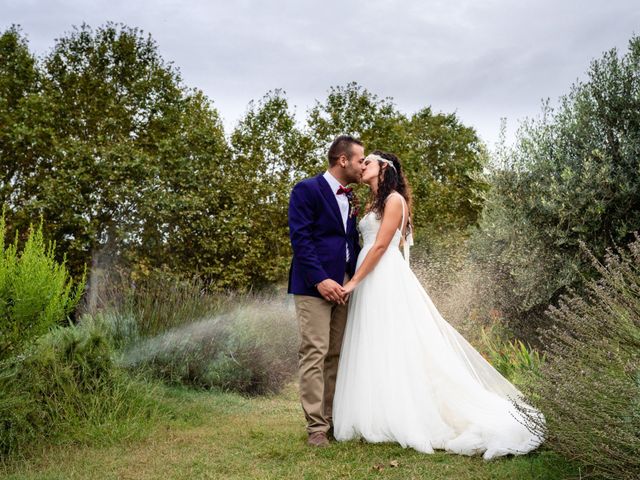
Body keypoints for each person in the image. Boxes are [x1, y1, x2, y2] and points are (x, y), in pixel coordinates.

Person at [332, 150, 545, 459]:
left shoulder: (394, 201)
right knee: (375, 342)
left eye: (369, 162)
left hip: (383, 276)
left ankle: (408, 414)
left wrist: (353, 282)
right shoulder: (370, 204)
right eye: (361, 162)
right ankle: (377, 411)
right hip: (370, 277)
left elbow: (380, 246)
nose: (362, 166)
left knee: (396, 340)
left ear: (384, 168)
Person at [287, 134, 365, 447]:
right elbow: (300, 239)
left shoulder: (353, 198)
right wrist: (320, 279)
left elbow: (351, 242)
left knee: (335, 355)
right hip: (313, 287)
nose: (363, 165)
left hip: (345, 286)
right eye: (360, 159)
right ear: (342, 159)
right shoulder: (307, 189)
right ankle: (316, 429)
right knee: (315, 352)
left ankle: (331, 421)